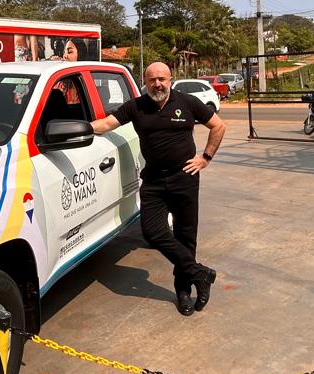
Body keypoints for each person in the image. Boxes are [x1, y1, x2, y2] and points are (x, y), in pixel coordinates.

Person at [91, 62, 226, 316]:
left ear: (170, 79)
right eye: (152, 80)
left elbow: (218, 126)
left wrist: (205, 158)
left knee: (186, 237)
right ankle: (200, 273)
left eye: (162, 79)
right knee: (153, 232)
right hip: (153, 180)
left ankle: (183, 292)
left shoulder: (187, 102)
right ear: (145, 81)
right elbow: (106, 124)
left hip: (185, 177)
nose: (157, 84)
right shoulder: (136, 106)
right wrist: (84, 127)